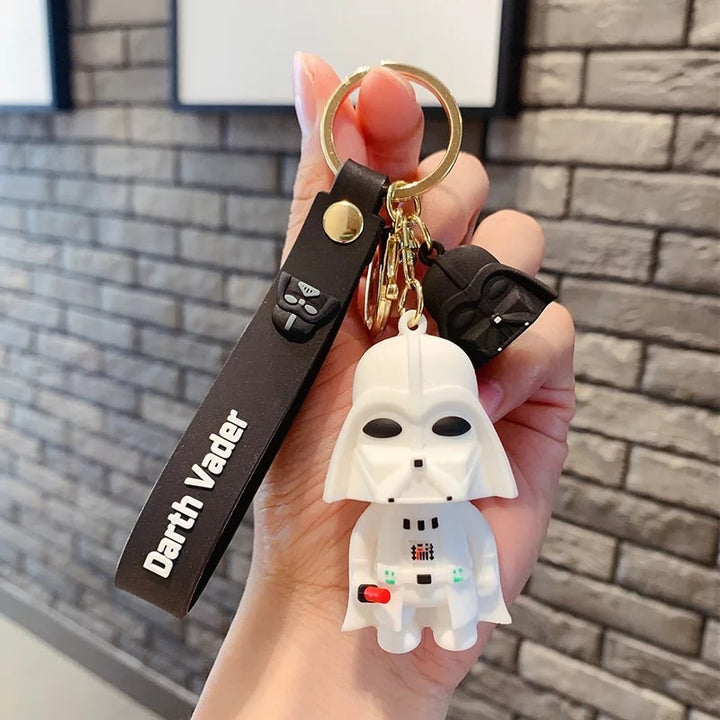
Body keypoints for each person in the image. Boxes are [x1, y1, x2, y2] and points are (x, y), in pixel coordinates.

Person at [191, 53, 575, 719]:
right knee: (395, 618)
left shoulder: (464, 514)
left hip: (448, 592)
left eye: (450, 425)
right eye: (386, 427)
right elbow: (364, 565)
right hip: (392, 598)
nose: (418, 453)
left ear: (481, 440)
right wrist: (326, 605)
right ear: (352, 446)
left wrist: (476, 595)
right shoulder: (371, 521)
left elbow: (481, 561)